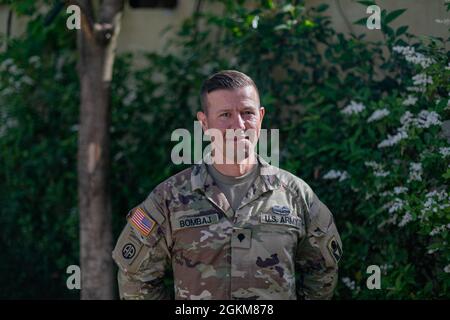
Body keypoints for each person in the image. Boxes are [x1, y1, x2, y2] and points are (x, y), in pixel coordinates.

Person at [112, 70, 343, 300]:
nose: (239, 124)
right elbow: (136, 277)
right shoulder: (169, 198)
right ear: (204, 122)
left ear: (261, 117)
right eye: (225, 115)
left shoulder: (296, 195)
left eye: (247, 113)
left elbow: (322, 269)